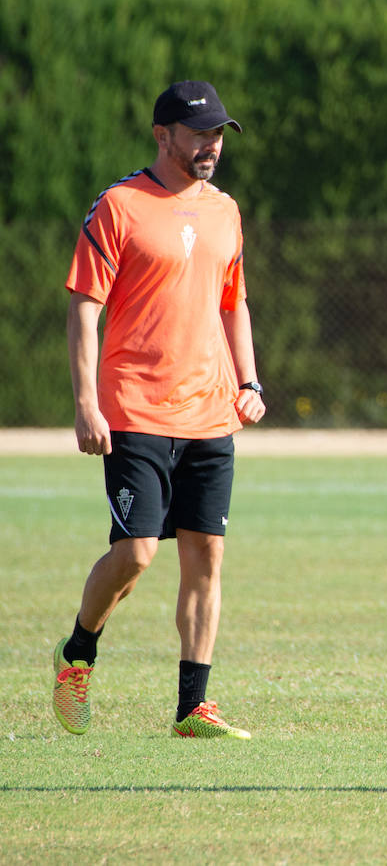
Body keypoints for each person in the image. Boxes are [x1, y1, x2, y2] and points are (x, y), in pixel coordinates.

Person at [53, 80, 266, 740]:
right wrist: (87, 401)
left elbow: (234, 302)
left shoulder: (226, 211)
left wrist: (250, 381)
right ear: (163, 135)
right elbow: (85, 307)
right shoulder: (119, 206)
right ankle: (78, 651)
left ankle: (192, 706)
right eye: (198, 133)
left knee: (206, 555)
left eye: (218, 134)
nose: (210, 145)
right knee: (139, 551)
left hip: (209, 411)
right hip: (135, 407)